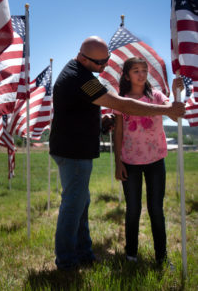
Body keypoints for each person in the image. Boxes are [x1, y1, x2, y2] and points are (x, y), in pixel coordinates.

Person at [49, 36, 185, 271]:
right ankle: (67, 262)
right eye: (100, 63)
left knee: (80, 204)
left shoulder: (81, 75)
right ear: (83, 57)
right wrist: (165, 109)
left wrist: (100, 121)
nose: (104, 67)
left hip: (74, 150)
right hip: (73, 153)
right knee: (73, 206)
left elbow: (80, 110)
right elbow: (122, 104)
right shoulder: (79, 77)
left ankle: (83, 253)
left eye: (107, 60)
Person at [113, 57, 183, 266]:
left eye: (144, 70)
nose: (141, 74)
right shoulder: (121, 100)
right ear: (127, 76)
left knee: (156, 209)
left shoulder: (156, 96)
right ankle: (131, 254)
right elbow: (118, 132)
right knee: (133, 209)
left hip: (155, 161)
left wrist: (173, 90)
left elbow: (174, 112)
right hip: (130, 162)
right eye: (136, 70)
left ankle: (161, 256)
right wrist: (118, 162)